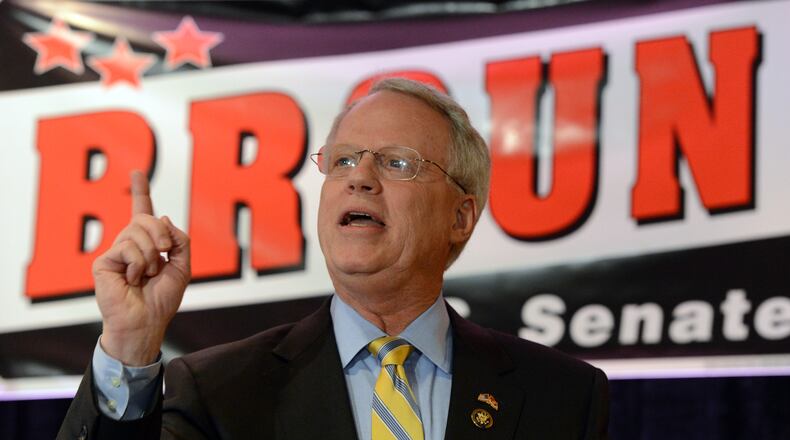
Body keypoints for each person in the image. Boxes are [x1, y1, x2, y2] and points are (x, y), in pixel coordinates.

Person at [57, 78, 609, 439]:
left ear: (460, 217)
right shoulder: (218, 389)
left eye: (396, 163)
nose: (359, 178)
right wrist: (129, 347)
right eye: (342, 160)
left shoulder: (561, 395)